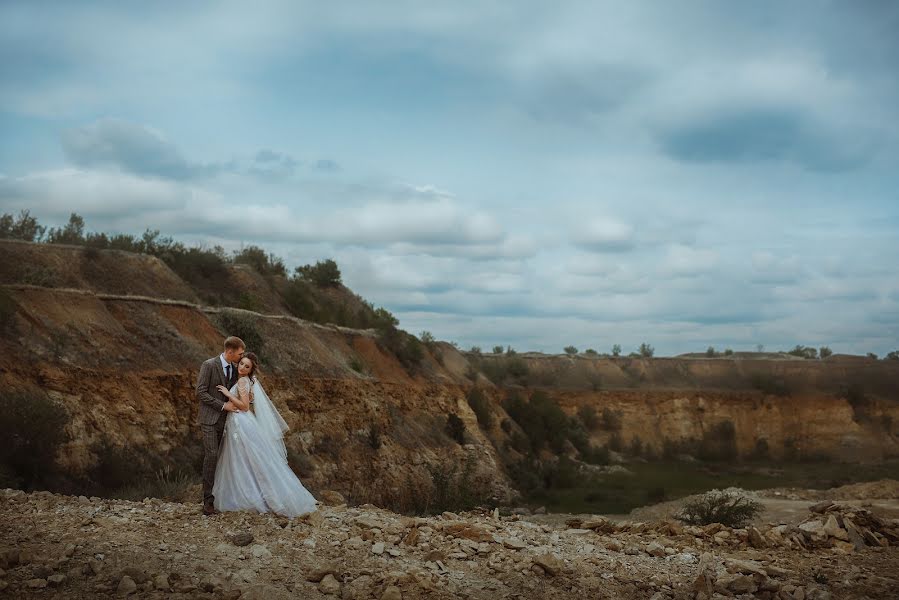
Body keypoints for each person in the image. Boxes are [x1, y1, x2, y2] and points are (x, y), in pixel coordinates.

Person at [211, 352, 318, 517]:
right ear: (238, 363)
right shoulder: (246, 380)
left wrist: (228, 394)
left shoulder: (241, 381)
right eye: (242, 364)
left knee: (247, 459)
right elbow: (250, 400)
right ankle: (251, 494)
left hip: (241, 421)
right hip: (240, 421)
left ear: (250, 369)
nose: (243, 367)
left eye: (247, 366)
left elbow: (245, 406)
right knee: (246, 460)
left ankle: (253, 497)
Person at [196, 336, 245, 516]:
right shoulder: (209, 365)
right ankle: (207, 502)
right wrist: (223, 406)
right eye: (240, 353)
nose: (241, 356)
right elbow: (200, 392)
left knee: (224, 459)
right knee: (212, 455)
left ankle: (222, 498)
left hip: (226, 422)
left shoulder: (234, 369)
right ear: (230, 351)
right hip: (209, 419)